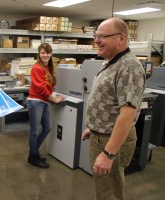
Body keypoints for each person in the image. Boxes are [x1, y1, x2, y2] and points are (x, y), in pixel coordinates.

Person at [81, 18, 145, 200]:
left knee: (109, 194)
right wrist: (93, 127)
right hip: (100, 135)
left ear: (121, 39)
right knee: (103, 189)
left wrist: (108, 154)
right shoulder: (111, 62)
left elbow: (128, 113)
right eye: (96, 36)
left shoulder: (129, 66)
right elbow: (108, 101)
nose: (96, 40)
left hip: (110, 141)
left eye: (102, 36)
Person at [27, 43, 65, 168]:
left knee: (47, 128)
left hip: (43, 101)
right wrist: (53, 99)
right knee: (33, 131)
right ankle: (33, 156)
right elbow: (41, 88)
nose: (45, 55)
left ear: (51, 54)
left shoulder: (48, 67)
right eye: (43, 53)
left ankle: (33, 153)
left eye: (48, 53)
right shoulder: (37, 68)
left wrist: (52, 96)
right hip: (35, 102)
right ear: (39, 53)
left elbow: (48, 85)